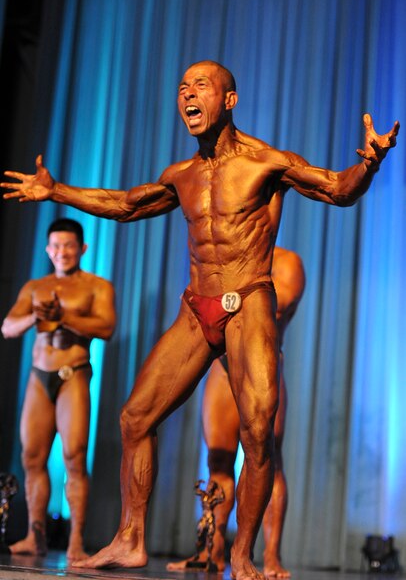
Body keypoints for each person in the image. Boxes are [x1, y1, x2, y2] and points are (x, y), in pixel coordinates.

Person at [0, 61, 399, 579]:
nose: (187, 94)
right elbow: (124, 204)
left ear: (229, 100)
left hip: (249, 299)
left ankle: (241, 553)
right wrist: (58, 192)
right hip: (197, 307)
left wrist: (368, 164)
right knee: (134, 418)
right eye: (182, 87)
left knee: (257, 436)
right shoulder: (181, 176)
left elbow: (337, 189)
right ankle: (131, 538)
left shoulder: (266, 162)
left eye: (200, 86)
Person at [167, 247, 305, 578]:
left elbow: (274, 306)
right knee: (217, 461)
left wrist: (224, 296)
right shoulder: (221, 256)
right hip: (222, 367)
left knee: (266, 458)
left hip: (264, 366)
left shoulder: (286, 262)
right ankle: (210, 552)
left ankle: (270, 557)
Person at [1, 218, 116, 560]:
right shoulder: (35, 287)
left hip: (73, 375)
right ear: (48, 249)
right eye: (56, 246)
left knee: (74, 457)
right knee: (31, 458)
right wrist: (36, 318)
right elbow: (7, 327)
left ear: (82, 249)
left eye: (69, 246)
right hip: (39, 376)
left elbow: (107, 327)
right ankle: (34, 537)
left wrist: (63, 317)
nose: (62, 252)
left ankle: (76, 542)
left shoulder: (97, 287)